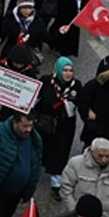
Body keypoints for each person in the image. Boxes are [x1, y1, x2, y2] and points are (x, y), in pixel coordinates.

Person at [37, 56, 82, 198]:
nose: (68, 73)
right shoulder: (46, 81)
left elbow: (81, 103)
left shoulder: (76, 86)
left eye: (70, 70)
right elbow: (35, 99)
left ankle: (56, 183)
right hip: (45, 123)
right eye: (65, 70)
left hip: (64, 125)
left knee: (60, 152)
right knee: (41, 148)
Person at [60, 138, 109, 217]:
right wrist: (74, 210)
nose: (104, 159)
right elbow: (66, 187)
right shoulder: (75, 164)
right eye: (100, 155)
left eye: (107, 156)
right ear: (92, 152)